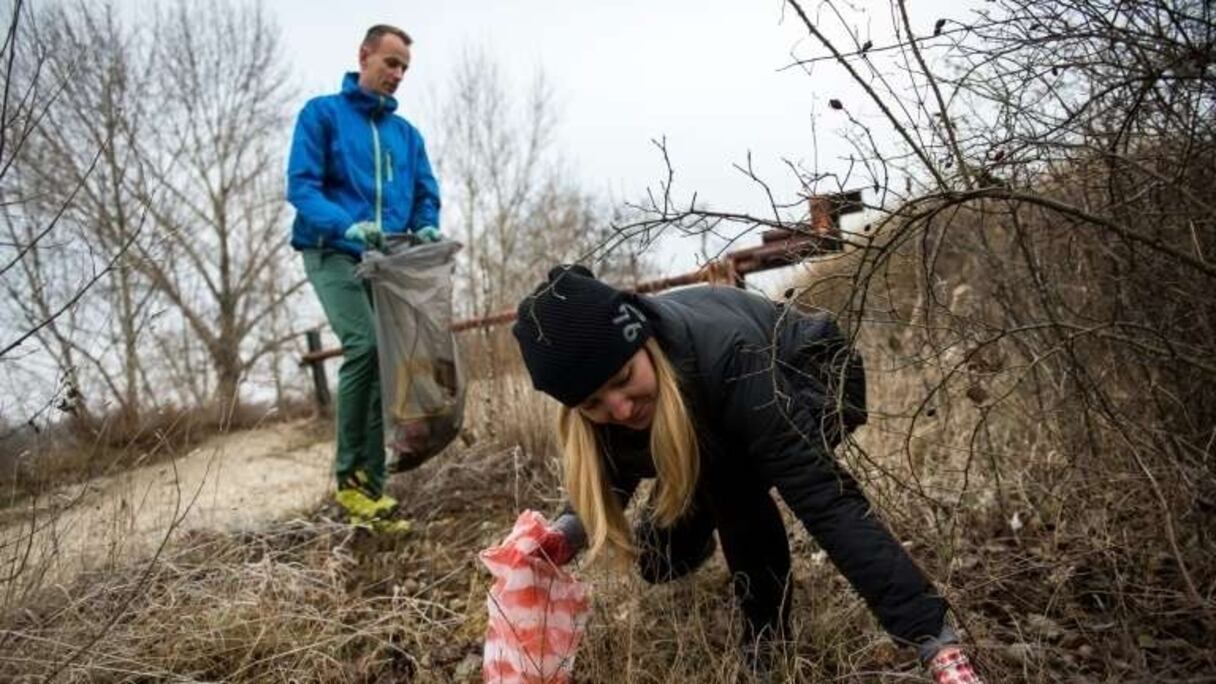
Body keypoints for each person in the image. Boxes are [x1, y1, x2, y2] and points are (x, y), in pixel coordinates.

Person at [511, 265, 984, 683]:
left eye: (622, 381)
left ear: (643, 343)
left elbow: (827, 502)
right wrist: (564, 536)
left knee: (736, 493)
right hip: (706, 415)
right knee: (660, 559)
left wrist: (934, 642)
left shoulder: (730, 359)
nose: (619, 407)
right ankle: (704, 515)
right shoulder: (612, 402)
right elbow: (608, 471)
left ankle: (767, 639)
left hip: (809, 375)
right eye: (593, 403)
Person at [287, 24, 441, 522]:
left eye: (404, 69)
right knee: (364, 346)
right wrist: (344, 225)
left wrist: (427, 228)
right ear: (365, 56)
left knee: (391, 361)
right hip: (331, 250)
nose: (396, 74)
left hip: (388, 262)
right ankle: (351, 478)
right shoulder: (323, 115)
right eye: (390, 63)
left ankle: (373, 489)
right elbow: (302, 187)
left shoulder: (406, 135)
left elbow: (424, 194)